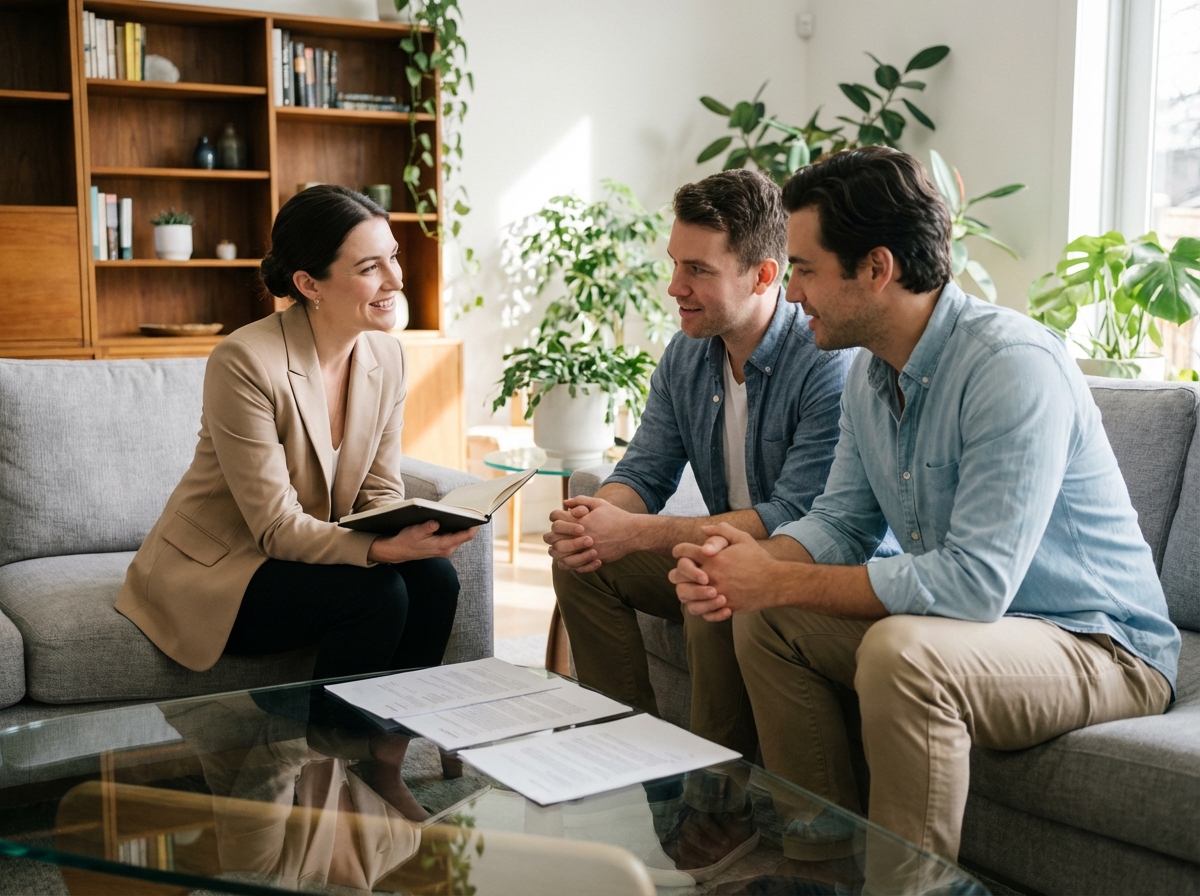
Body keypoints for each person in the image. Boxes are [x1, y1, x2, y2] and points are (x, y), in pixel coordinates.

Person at [669, 147, 1181, 871]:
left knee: (902, 655)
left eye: (807, 269)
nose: (791, 294)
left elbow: (974, 584)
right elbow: (842, 522)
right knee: (763, 617)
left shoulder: (1011, 367)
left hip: (1097, 644)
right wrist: (746, 566)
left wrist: (779, 577)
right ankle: (820, 869)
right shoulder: (870, 373)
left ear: (876, 268)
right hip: (989, 630)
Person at [548, 168, 868, 762]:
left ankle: (715, 794)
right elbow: (644, 471)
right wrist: (597, 519)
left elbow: (795, 516)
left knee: (709, 576)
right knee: (581, 561)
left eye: (697, 269)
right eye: (675, 263)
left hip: (803, 565)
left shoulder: (828, 361)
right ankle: (628, 757)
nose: (674, 287)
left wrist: (635, 532)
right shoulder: (686, 355)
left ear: (764, 275)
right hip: (728, 551)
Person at [116, 185, 477, 687]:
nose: (395, 278)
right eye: (369, 267)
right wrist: (379, 552)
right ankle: (331, 750)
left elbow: (379, 491)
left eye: (392, 257)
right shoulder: (244, 361)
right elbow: (275, 527)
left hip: (307, 551)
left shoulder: (387, 356)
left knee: (435, 580)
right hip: (226, 566)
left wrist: (412, 528)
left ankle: (390, 751)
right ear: (310, 284)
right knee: (376, 595)